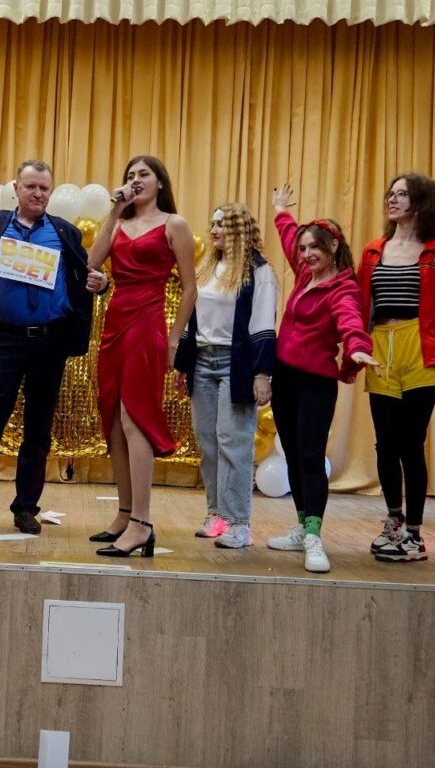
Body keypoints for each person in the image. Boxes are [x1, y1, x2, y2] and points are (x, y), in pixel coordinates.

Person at [0, 160, 109, 535]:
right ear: (16, 190)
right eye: (31, 187)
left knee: (38, 429)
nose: (38, 194)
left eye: (44, 188)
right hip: (5, 339)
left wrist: (101, 284)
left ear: (50, 192)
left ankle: (26, 509)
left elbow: (89, 277)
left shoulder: (65, 231)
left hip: (50, 342)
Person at [358, 174, 435, 563]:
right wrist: (350, 353)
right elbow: (358, 308)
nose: (392, 200)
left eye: (402, 194)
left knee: (411, 443)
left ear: (421, 202)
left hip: (422, 349)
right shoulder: (373, 251)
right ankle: (393, 520)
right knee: (385, 443)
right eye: (390, 193)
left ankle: (413, 532)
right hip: (382, 347)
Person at [87, 155, 197, 557]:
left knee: (134, 418)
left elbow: (189, 289)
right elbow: (91, 263)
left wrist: (174, 340)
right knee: (114, 421)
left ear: (159, 182)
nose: (136, 180)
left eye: (143, 174)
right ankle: (124, 512)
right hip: (114, 323)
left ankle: (142, 523)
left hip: (147, 324)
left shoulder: (174, 224)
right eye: (130, 175)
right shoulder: (119, 222)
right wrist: (114, 210)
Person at [266, 184, 379, 573]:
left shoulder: (342, 288)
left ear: (333, 247)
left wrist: (357, 347)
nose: (306, 253)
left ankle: (315, 537)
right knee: (293, 455)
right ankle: (302, 527)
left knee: (311, 457)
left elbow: (350, 320)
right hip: (284, 379)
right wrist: (281, 210)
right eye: (303, 248)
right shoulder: (304, 274)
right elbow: (287, 235)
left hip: (315, 384)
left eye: (314, 247)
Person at [174, 204, 277, 548]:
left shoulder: (258, 271)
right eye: (213, 224)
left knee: (234, 442)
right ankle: (216, 514)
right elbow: (191, 317)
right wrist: (183, 364)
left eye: (222, 224)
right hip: (202, 362)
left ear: (239, 229)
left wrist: (262, 373)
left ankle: (239, 523)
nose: (215, 230)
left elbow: (263, 322)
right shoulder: (206, 268)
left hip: (237, 365)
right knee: (208, 442)